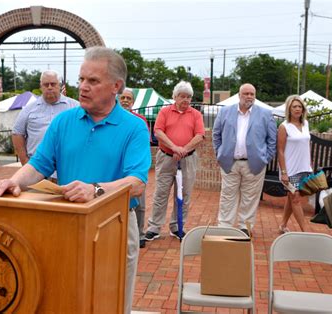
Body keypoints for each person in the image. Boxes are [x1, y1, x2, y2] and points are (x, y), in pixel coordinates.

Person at [0, 47, 151, 313]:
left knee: (112, 303)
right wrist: (15, 181)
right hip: (66, 223)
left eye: (93, 81)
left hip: (114, 227)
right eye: (81, 79)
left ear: (116, 86)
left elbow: (137, 182)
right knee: (64, 297)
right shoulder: (63, 121)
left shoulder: (134, 127)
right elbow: (39, 164)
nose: (83, 87)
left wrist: (96, 189)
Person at [212, 83, 277, 235]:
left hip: (254, 164)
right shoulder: (225, 112)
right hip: (230, 162)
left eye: (252, 94)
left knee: (250, 198)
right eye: (246, 93)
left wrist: (264, 159)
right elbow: (216, 135)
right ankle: (224, 227)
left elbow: (272, 140)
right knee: (227, 196)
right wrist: (219, 154)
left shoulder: (265, 114)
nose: (249, 96)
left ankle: (244, 228)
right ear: (239, 95)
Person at [145, 81, 205, 241]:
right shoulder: (165, 112)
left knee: (184, 194)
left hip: (188, 159)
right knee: (160, 193)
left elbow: (199, 135)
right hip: (166, 157)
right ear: (175, 97)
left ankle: (177, 226)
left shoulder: (195, 114)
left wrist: (184, 149)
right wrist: (174, 147)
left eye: (189, 97)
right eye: (182, 96)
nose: (186, 100)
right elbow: (158, 132)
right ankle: (154, 227)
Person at [12, 70, 78, 167]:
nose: (50, 87)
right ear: (41, 86)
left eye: (53, 84)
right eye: (46, 84)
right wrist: (24, 161)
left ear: (59, 85)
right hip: (36, 167)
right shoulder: (29, 109)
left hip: (66, 167)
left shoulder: (75, 107)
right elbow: (17, 133)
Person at [119, 88, 150, 248]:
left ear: (133, 102)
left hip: (135, 170)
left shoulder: (140, 120)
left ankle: (140, 234)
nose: (125, 100)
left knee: (140, 204)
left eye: (128, 98)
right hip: (117, 170)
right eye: (123, 97)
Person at [277, 95, 312, 233]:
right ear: (289, 109)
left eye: (299, 106)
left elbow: (307, 145)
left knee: (292, 198)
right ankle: (305, 231)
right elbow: (280, 150)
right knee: (295, 198)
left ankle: (283, 225)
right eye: (294, 107)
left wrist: (310, 164)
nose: (297, 109)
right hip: (290, 170)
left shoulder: (306, 124)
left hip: (304, 168)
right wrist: (284, 172)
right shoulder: (284, 127)